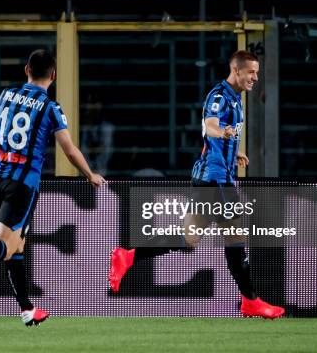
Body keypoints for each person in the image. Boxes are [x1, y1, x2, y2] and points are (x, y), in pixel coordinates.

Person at [109, 50, 285, 319]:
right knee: (233, 239)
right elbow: (210, 126)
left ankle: (128, 256)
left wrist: (232, 150)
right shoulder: (219, 97)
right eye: (251, 72)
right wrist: (222, 133)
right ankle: (251, 300)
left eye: (257, 72)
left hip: (213, 177)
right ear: (236, 71)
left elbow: (215, 138)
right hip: (216, 180)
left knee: (190, 239)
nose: (255, 77)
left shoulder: (236, 98)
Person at [0, 49, 106, 326]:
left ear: (26, 69)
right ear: (53, 75)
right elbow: (70, 150)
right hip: (21, 183)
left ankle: (27, 309)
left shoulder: (5, 95)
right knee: (5, 245)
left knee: (17, 246)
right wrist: (89, 174)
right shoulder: (51, 107)